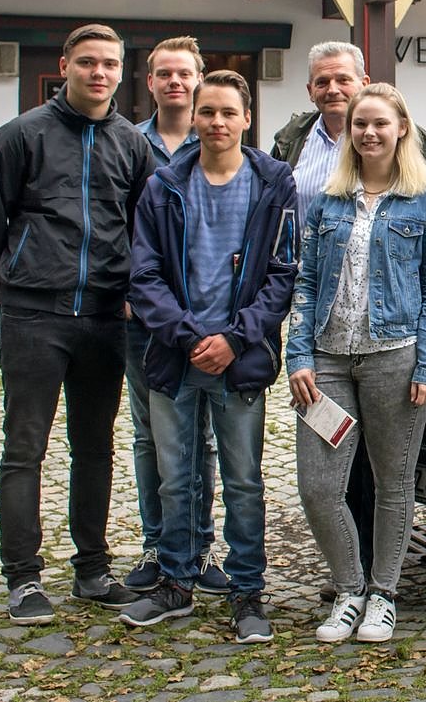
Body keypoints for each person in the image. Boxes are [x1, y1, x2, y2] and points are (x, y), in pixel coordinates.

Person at [120, 70, 298, 644]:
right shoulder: (164, 185)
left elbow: (282, 274)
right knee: (176, 479)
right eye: (207, 112)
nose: (217, 122)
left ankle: (247, 591)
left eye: (227, 112)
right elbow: (144, 274)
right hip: (176, 357)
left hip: (239, 358)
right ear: (194, 119)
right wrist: (189, 336)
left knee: (244, 481)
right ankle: (176, 581)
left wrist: (235, 339)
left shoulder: (273, 183)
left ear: (247, 118)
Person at [0, 23, 150, 624]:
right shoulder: (20, 135)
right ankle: (24, 578)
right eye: (87, 62)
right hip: (34, 315)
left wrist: (128, 293)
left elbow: (142, 227)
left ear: (121, 72)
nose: (98, 73)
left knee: (95, 446)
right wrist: (13, 291)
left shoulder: (132, 143)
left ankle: (92, 570)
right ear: (65, 67)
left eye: (109, 63)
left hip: (104, 318)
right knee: (24, 447)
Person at [272, 42, 426, 595]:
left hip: (395, 358)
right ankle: (349, 589)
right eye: (360, 125)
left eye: (380, 123)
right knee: (319, 488)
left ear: (401, 130)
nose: (369, 133)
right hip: (327, 361)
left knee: (393, 485)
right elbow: (306, 283)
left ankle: (383, 594)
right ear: (349, 132)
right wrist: (298, 355)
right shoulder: (329, 199)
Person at [125, 35, 228, 595]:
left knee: (203, 437)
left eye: (184, 73)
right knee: (151, 436)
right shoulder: (129, 141)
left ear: (198, 78)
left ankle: (200, 545)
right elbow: (122, 220)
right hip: (145, 319)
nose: (175, 82)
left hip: (207, 320)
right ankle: (157, 543)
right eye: (164, 73)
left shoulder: (213, 135)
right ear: (150, 82)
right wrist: (131, 290)